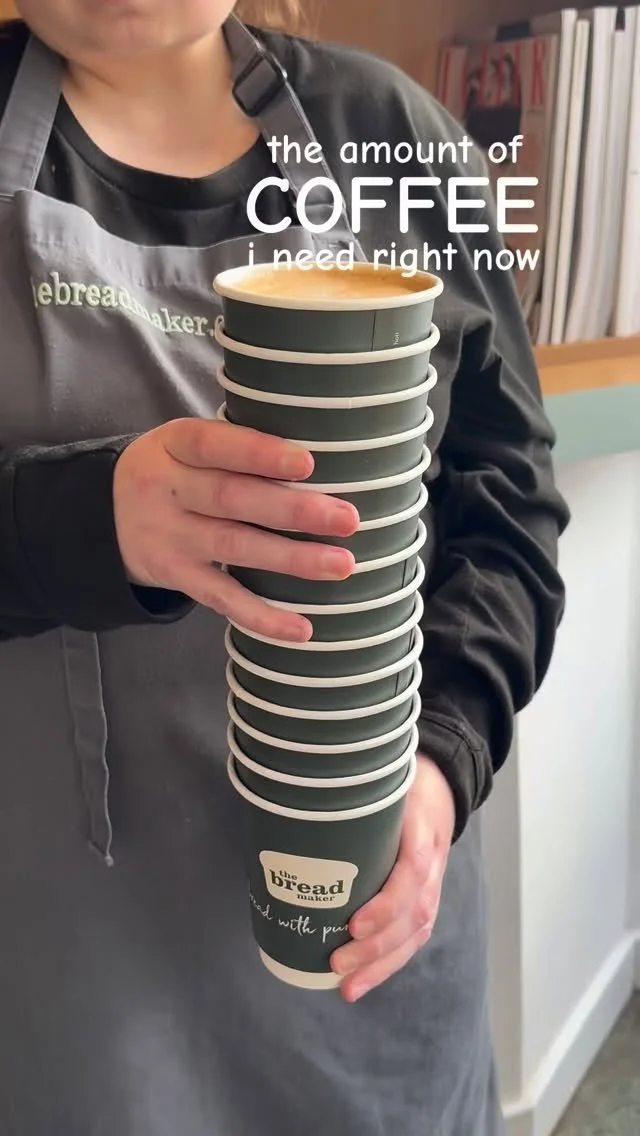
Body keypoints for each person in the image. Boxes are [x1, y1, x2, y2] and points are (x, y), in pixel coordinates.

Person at [0, 2, 569, 1134]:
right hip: (84, 988)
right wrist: (93, 522)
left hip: (372, 949)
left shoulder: (397, 139)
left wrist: (443, 758)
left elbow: (508, 510)